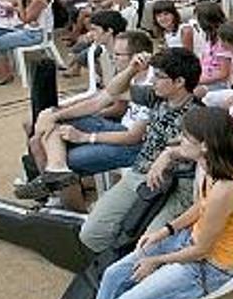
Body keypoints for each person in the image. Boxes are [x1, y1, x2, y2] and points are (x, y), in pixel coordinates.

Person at [83, 106, 233, 299]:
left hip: (209, 266)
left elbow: (201, 251)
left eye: (186, 136)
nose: (179, 140)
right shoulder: (213, 162)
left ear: (205, 145)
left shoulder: (225, 189)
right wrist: (166, 231)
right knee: (112, 275)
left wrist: (155, 261)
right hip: (189, 241)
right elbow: (200, 206)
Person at [77, 47, 203, 253]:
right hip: (141, 173)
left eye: (159, 77)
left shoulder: (199, 115)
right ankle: (120, 265)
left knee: (148, 247)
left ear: (179, 82)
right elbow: (114, 91)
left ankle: (144, 268)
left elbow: (206, 151)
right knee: (91, 234)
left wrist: (170, 154)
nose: (152, 81)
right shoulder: (156, 97)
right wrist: (131, 70)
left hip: (178, 187)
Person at [20, 31, 154, 209]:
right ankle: (56, 172)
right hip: (119, 130)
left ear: (137, 57)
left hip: (135, 146)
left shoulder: (155, 84)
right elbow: (100, 100)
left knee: (65, 158)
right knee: (43, 129)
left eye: (118, 55)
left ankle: (73, 209)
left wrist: (85, 137)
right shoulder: (129, 76)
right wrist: (55, 115)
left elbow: (133, 137)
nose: (113, 59)